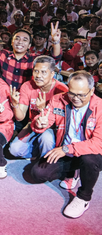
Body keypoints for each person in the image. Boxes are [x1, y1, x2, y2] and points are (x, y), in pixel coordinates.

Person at [31, 71, 102, 218]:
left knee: (89, 159)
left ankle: (83, 197)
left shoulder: (100, 107)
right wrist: (39, 123)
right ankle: (73, 173)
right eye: (72, 93)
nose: (76, 99)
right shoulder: (58, 99)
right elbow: (45, 120)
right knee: (38, 173)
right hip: (67, 151)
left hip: (89, 153)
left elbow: (98, 143)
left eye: (81, 95)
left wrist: (66, 149)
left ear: (92, 91)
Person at [9, 55, 68, 160]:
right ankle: (38, 154)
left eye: (43, 72)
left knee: (46, 138)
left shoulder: (62, 90)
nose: (38, 75)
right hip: (32, 124)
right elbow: (20, 117)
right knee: (14, 150)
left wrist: (43, 109)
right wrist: (15, 104)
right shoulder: (27, 86)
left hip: (53, 128)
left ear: (52, 74)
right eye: (36, 71)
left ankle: (45, 163)